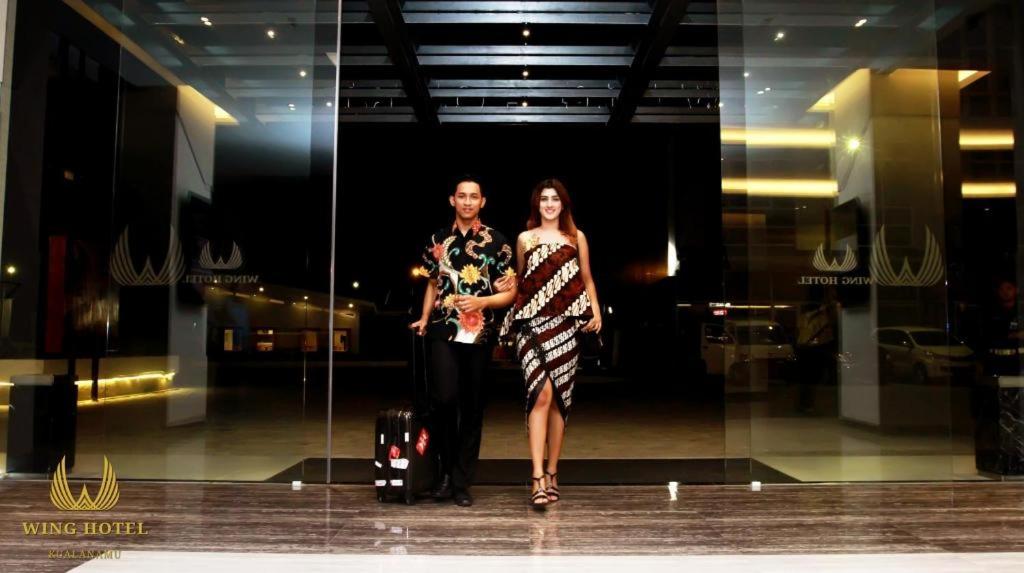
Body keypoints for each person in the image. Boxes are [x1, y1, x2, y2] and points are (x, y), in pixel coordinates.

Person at [409, 176, 517, 507]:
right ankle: (443, 472)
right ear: (452, 200)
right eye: (462, 196)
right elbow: (432, 283)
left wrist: (483, 301)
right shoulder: (437, 239)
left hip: (480, 331)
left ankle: (460, 481)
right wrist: (424, 317)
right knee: (444, 400)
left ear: (482, 202)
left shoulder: (498, 242)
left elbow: (510, 292)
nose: (468, 201)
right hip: (443, 327)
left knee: (472, 407)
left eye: (474, 197)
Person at [499, 178, 602, 509]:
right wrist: (507, 285)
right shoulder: (525, 238)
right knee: (540, 394)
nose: (549, 204)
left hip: (566, 326)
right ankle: (537, 476)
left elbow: (586, 278)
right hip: (531, 325)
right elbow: (522, 281)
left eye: (555, 199)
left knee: (559, 399)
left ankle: (553, 471)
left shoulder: (576, 237)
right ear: (537, 204)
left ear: (563, 204)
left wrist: (596, 312)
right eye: (543, 199)